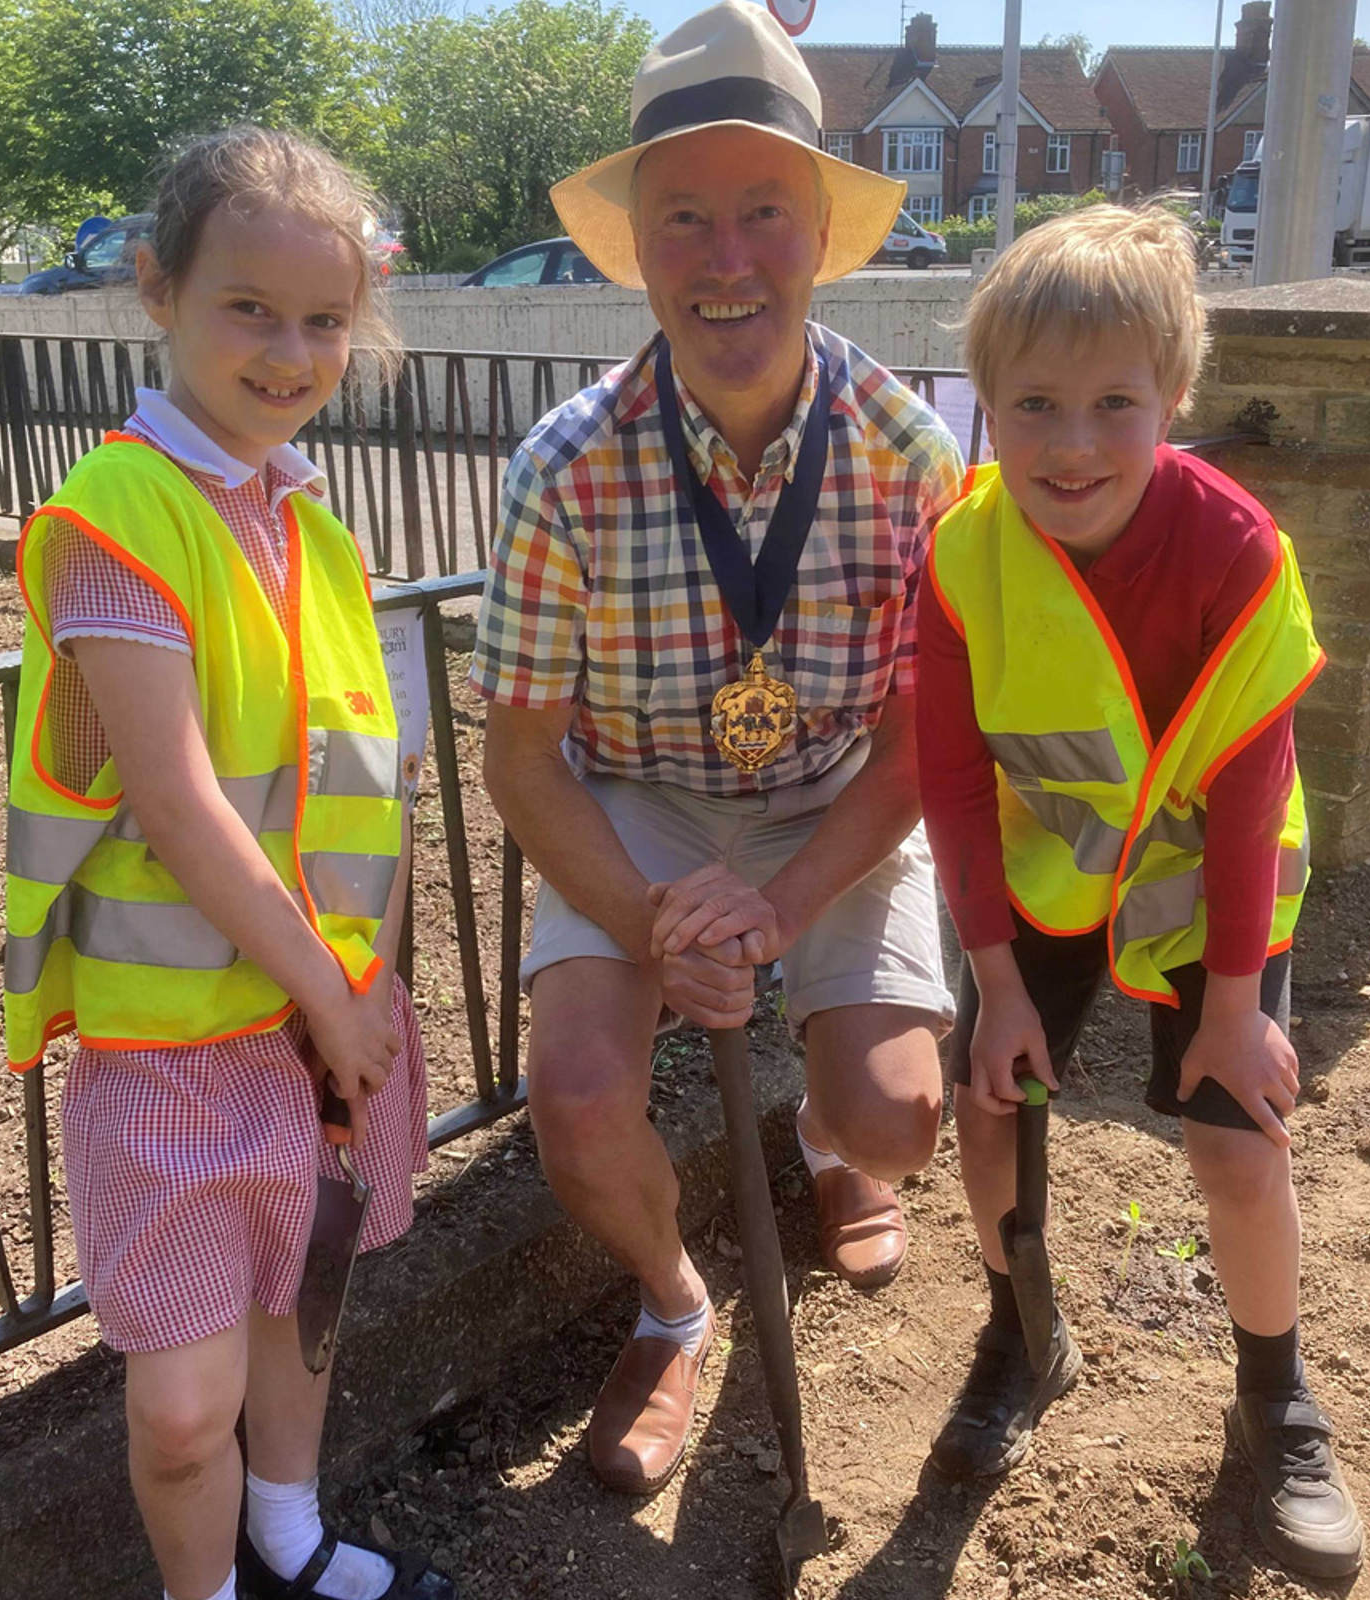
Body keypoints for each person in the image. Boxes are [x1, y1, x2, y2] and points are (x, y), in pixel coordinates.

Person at [472, 0, 962, 1498]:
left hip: (833, 800)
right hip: (637, 804)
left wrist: (786, 908)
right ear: (640, 246)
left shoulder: (911, 455)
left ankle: (829, 1134)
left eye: (764, 211)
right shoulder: (565, 466)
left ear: (821, 230)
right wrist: (653, 923)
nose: (728, 256)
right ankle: (671, 1304)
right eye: (684, 217)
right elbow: (524, 758)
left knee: (903, 1111)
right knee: (573, 1097)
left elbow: (915, 735)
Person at [3, 127, 455, 1600]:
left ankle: (292, 1538)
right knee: (185, 1405)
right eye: (247, 308)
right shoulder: (112, 516)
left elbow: (358, 784)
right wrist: (335, 994)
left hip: (319, 1015)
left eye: (323, 320)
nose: (290, 349)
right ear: (158, 290)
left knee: (304, 1291)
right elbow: (181, 802)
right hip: (178, 1047)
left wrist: (360, 992)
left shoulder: (309, 526)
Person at [915, 205, 1364, 1579]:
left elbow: (1242, 785)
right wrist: (994, 988)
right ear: (981, 404)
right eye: (1032, 404)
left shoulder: (1238, 551)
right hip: (1047, 870)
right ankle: (1020, 1332)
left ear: (1176, 397)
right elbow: (951, 777)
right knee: (991, 1104)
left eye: (1115, 403)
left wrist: (1237, 1010)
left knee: (1235, 1141)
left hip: (1208, 886)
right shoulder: (963, 552)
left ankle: (1277, 1400)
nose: (1069, 443)